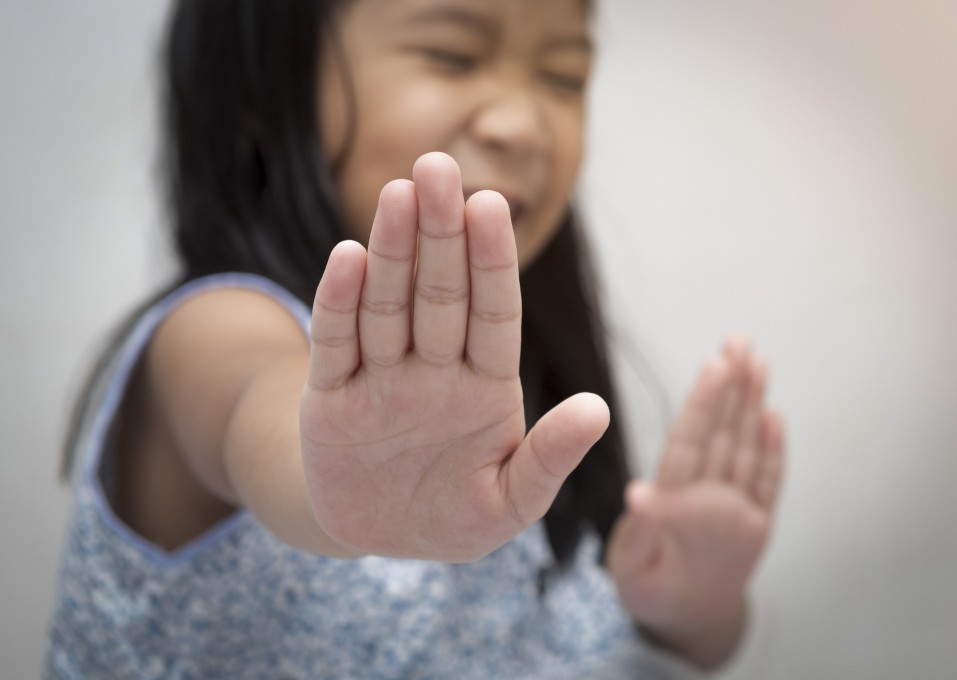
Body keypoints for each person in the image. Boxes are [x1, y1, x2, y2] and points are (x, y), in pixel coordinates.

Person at [46, 0, 786, 677]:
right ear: (262, 85)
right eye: (452, 56)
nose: (523, 124)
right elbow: (262, 418)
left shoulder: (509, 376)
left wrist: (685, 612)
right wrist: (328, 482)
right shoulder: (213, 331)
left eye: (564, 76)